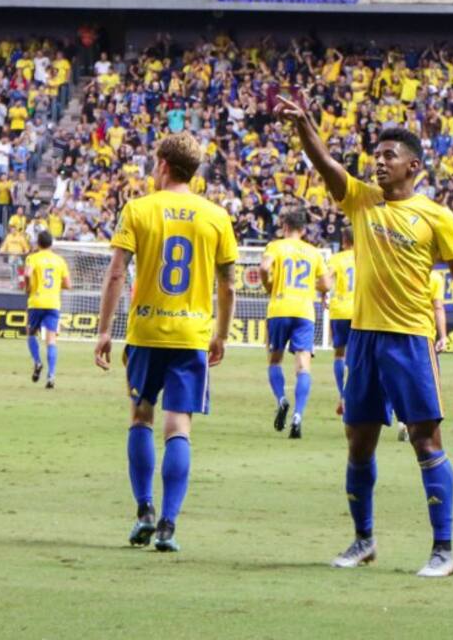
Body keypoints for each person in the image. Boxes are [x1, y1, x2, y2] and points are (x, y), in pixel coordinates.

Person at [274, 95, 453, 579]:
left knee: (425, 439)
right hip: (365, 340)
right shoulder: (361, 199)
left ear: (413, 166)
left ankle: (443, 550)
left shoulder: (437, 217)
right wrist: (305, 125)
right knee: (358, 441)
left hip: (411, 340)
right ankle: (364, 540)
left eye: (389, 156)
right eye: (376, 155)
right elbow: (324, 162)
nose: (379, 162)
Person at [94, 133, 237, 554]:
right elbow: (228, 285)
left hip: (146, 332)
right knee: (180, 428)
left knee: (141, 417)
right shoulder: (216, 216)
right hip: (192, 335)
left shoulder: (138, 209)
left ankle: (143, 512)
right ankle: (169, 525)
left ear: (162, 165)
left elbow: (117, 272)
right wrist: (222, 334)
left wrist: (104, 330)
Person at [260, 208, 330, 439]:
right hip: (304, 311)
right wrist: (315, 287)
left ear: (285, 227)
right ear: (303, 230)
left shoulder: (276, 246)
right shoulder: (314, 252)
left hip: (279, 307)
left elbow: (263, 268)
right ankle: (298, 415)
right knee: (303, 365)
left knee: (275, 360)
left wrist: (269, 285)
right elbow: (326, 285)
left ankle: (281, 399)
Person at [398, 268, 447, 442]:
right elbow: (438, 307)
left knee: (398, 380)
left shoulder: (402, 271)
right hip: (423, 335)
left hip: (397, 331)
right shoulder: (435, 277)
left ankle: (403, 420)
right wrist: (443, 335)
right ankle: (427, 424)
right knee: (429, 382)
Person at [24, 230, 71, 389]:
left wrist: (28, 287)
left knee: (31, 333)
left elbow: (27, 274)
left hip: (36, 302)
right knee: (51, 340)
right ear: (51, 244)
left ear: (38, 243)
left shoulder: (33, 258)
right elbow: (68, 285)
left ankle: (37, 362)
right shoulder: (60, 261)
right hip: (53, 303)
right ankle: (51, 375)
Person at [327, 227, 356, 415]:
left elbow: (326, 280)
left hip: (340, 310)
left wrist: (324, 294)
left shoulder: (336, 259)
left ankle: (343, 395)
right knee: (358, 356)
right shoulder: (366, 257)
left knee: (339, 354)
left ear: (344, 241)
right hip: (362, 311)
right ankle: (355, 395)